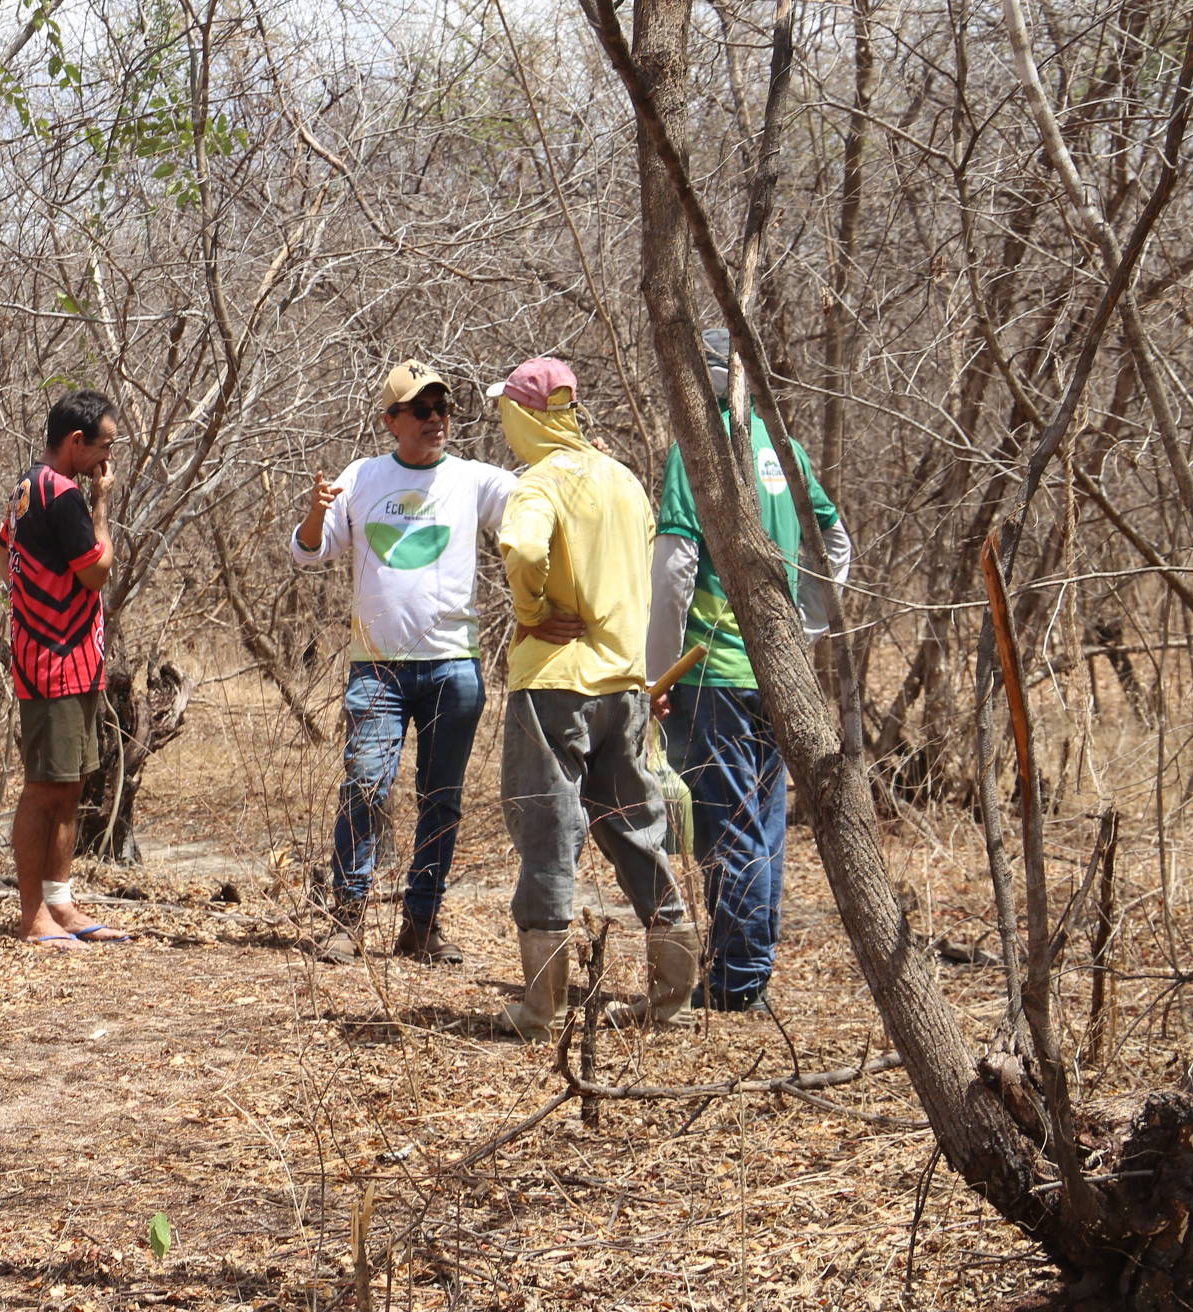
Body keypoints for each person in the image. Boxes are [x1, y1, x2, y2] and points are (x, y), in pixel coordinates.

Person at [489, 357, 696, 1039]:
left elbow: (521, 549)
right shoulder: (625, 479)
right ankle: (671, 999)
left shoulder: (539, 482)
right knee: (638, 832)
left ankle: (540, 1008)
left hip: (555, 684)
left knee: (548, 834)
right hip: (625, 686)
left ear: (523, 416)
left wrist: (533, 607)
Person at [648, 329, 853, 1013]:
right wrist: (808, 627)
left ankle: (736, 985)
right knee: (763, 826)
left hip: (716, 674)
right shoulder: (784, 452)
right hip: (778, 675)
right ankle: (749, 976)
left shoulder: (696, 453)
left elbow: (677, 569)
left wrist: (660, 674)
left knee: (732, 829)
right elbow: (835, 540)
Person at [290, 359, 517, 965]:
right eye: (422, 410)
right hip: (378, 670)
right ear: (391, 420)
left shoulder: (472, 479)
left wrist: (580, 464)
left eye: (443, 407)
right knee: (366, 786)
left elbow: (534, 503)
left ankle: (422, 923)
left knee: (441, 798)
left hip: (453, 668)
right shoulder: (362, 477)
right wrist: (316, 510)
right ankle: (346, 918)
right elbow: (309, 552)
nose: (437, 419)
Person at [0, 389, 125, 949]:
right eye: (103, 447)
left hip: (72, 660)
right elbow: (97, 572)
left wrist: (31, 601)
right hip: (54, 664)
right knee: (44, 789)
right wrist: (102, 507)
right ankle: (32, 917)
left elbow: (2, 553)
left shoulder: (27, 486)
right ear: (75, 443)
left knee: (69, 785)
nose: (107, 461)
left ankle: (59, 902)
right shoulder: (65, 495)